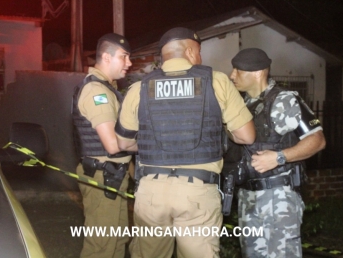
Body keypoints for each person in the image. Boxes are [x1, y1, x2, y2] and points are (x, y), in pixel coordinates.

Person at [114, 27, 255, 258]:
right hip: (197, 192)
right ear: (190, 52)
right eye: (199, 52)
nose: (201, 58)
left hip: (151, 193)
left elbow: (122, 143)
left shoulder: (139, 88)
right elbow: (246, 136)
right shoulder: (216, 81)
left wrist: (158, 144)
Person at [229, 48, 326, 257]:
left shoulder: (284, 100)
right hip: (247, 197)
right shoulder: (243, 104)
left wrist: (279, 157)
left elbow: (317, 140)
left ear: (258, 72)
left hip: (278, 198)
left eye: (238, 70)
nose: (232, 75)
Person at [71, 33, 133, 258]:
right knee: (101, 245)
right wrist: (149, 143)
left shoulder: (107, 89)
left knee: (117, 241)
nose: (129, 63)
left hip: (111, 175)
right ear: (107, 57)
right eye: (124, 57)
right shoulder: (97, 92)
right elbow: (113, 144)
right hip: (103, 177)